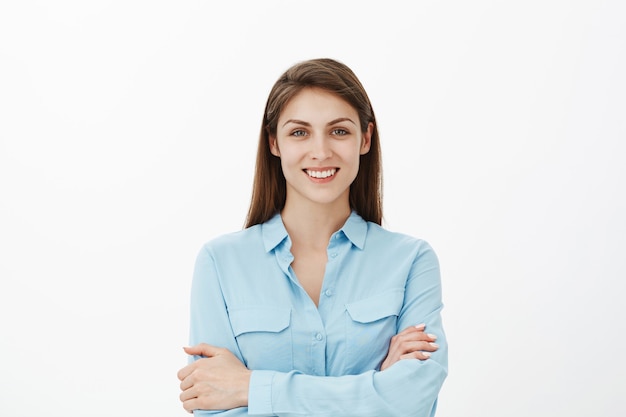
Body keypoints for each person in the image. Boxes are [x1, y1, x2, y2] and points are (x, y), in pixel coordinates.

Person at [177, 58, 448, 416]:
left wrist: (252, 387)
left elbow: (411, 400)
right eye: (299, 132)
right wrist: (375, 388)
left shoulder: (411, 261)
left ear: (365, 138)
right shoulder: (220, 262)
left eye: (339, 131)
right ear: (274, 142)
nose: (321, 151)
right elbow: (213, 404)